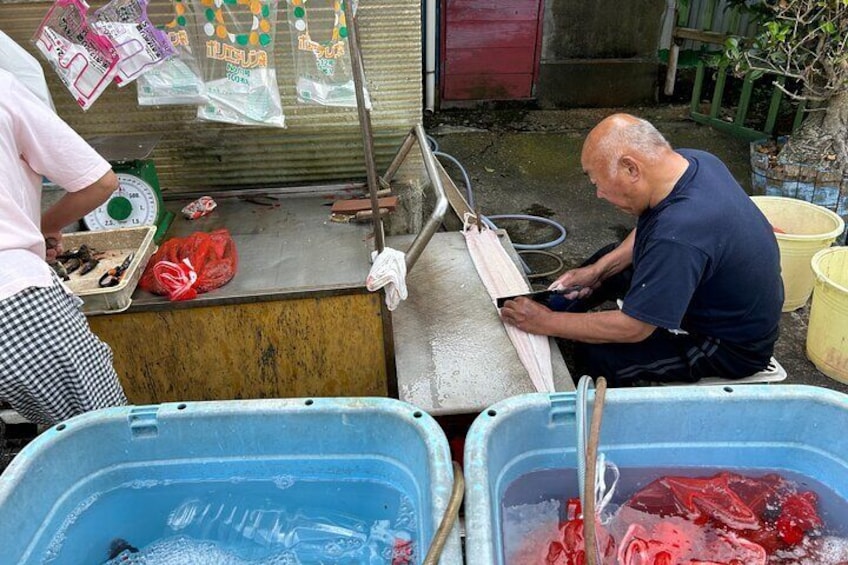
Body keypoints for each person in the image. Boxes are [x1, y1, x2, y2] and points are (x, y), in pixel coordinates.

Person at [500, 113, 784, 386]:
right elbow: (655, 229)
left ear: (631, 168)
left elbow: (634, 328)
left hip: (730, 345)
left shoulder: (680, 235)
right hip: (709, 287)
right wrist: (599, 270)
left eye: (598, 183)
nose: (598, 194)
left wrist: (548, 323)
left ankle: (547, 325)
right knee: (612, 261)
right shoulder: (693, 163)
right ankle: (543, 311)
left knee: (599, 356)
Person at [0, 67, 128, 425]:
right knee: (104, 435)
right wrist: (46, 226)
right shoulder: (3, 86)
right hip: (15, 304)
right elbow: (101, 182)